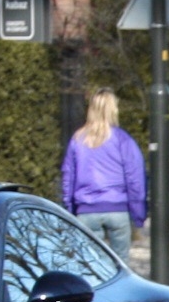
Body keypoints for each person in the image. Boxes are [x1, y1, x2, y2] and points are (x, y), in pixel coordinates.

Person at [62, 90, 146, 268]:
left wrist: (70, 208)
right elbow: (135, 178)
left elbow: (68, 177)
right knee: (121, 264)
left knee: (91, 266)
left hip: (86, 209)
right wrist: (138, 213)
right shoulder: (122, 139)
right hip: (117, 208)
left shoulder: (77, 140)